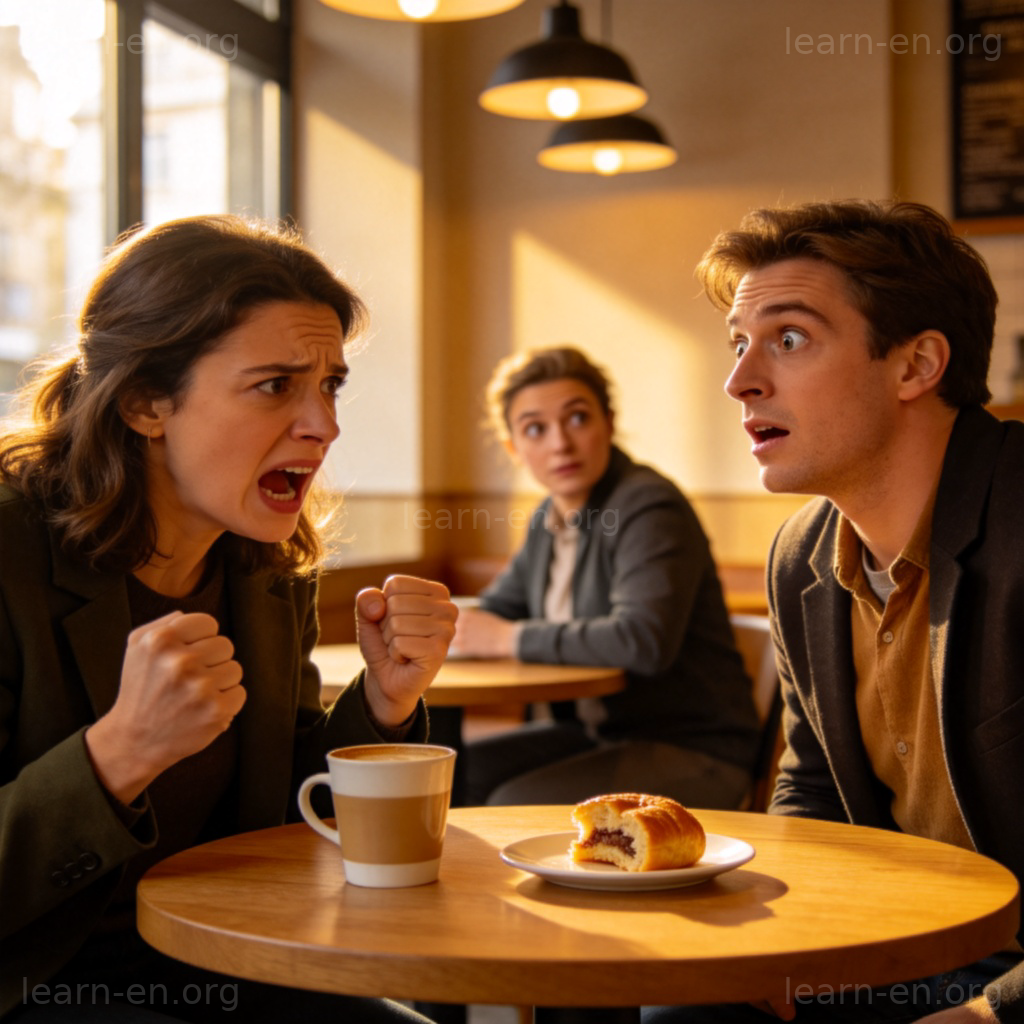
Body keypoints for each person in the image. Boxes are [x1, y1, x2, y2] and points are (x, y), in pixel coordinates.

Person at [0, 215, 456, 1023]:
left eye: (331, 385)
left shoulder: (264, 566)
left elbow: (282, 815)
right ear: (145, 401)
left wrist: (381, 704)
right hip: (37, 980)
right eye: (276, 385)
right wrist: (115, 756)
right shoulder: (10, 548)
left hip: (223, 957)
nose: (324, 425)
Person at [645, 199, 1024, 1024]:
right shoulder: (801, 556)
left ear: (916, 365)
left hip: (1009, 976)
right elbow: (811, 786)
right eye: (739, 344)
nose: (739, 379)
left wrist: (986, 1015)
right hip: (900, 943)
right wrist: (775, 946)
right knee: (671, 1004)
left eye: (788, 340)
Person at [449, 345, 760, 808]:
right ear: (516, 449)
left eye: (577, 418)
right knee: (452, 776)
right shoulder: (547, 519)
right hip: (591, 735)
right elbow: (497, 610)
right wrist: (438, 622)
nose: (560, 444)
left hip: (691, 747)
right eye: (536, 429)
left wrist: (506, 640)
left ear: (609, 422)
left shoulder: (649, 505)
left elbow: (642, 640)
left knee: (511, 804)